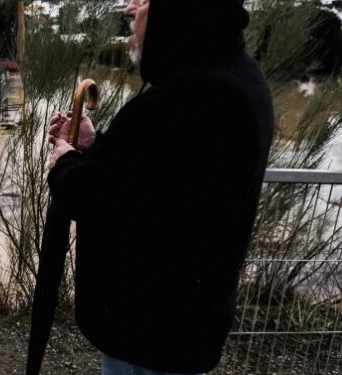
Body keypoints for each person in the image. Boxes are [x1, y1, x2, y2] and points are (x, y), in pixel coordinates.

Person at [45, 0, 273, 374]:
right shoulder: (237, 79)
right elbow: (154, 181)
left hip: (147, 334)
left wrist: (64, 161)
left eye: (147, 3)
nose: (133, 12)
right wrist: (92, 143)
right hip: (184, 326)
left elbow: (94, 198)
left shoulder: (184, 99)